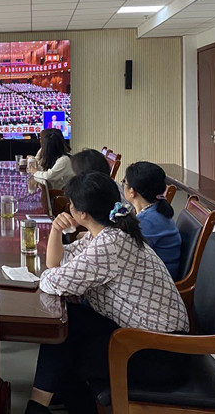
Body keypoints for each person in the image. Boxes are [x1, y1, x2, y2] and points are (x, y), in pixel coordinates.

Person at [26, 172, 188, 414]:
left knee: (71, 351)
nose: (69, 208)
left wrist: (51, 274)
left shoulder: (111, 243)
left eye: (70, 203)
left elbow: (53, 281)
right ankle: (39, 404)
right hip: (138, 333)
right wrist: (56, 230)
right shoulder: (107, 232)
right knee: (67, 321)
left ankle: (43, 403)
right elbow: (57, 262)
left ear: (82, 213)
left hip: (161, 351)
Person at [122, 161, 181, 278]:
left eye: (124, 181)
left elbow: (124, 254)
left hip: (158, 281)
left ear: (132, 191)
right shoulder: (155, 210)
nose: (122, 184)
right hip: (154, 274)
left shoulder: (148, 221)